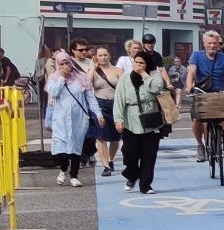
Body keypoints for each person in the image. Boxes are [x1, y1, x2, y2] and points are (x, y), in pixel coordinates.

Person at [113, 49, 173, 194]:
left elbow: (156, 88)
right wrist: (118, 119)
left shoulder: (154, 75)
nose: (138, 65)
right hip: (131, 119)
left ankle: (146, 185)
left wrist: (144, 74)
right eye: (136, 62)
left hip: (150, 118)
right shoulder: (125, 78)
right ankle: (131, 175)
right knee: (130, 153)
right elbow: (119, 99)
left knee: (149, 155)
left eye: (142, 63)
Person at [43, 51, 95, 186]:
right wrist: (62, 78)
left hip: (79, 118)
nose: (65, 66)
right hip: (60, 119)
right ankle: (63, 169)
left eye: (67, 63)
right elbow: (54, 93)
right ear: (57, 65)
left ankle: (74, 175)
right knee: (61, 147)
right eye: (62, 64)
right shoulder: (53, 78)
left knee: (76, 147)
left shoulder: (81, 77)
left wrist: (98, 114)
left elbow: (90, 97)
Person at [185, 30, 224, 156]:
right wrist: (189, 87)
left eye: (215, 43)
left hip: (220, 92)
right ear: (204, 44)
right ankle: (199, 144)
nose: (212, 46)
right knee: (196, 119)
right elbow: (191, 72)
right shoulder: (196, 55)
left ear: (219, 45)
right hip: (202, 92)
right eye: (209, 43)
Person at [88, 47, 122, 176]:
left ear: (110, 55)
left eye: (105, 55)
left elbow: (123, 86)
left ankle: (110, 159)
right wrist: (93, 66)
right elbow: (87, 82)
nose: (103, 57)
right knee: (101, 136)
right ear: (96, 57)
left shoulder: (118, 70)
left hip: (115, 104)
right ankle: (106, 166)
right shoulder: (94, 71)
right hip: (99, 104)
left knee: (115, 137)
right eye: (100, 55)